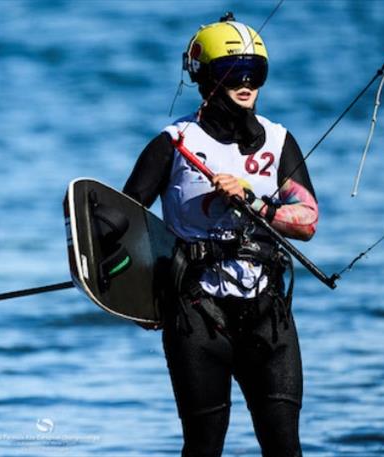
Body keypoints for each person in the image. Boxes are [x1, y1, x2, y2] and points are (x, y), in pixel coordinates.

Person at [122, 13, 318, 457]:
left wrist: (254, 201)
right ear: (206, 77)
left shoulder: (279, 141)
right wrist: (133, 297)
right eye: (234, 73)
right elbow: (125, 222)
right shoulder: (172, 145)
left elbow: (307, 220)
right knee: (204, 447)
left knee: (286, 447)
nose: (247, 83)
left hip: (268, 317)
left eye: (256, 73)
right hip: (196, 315)